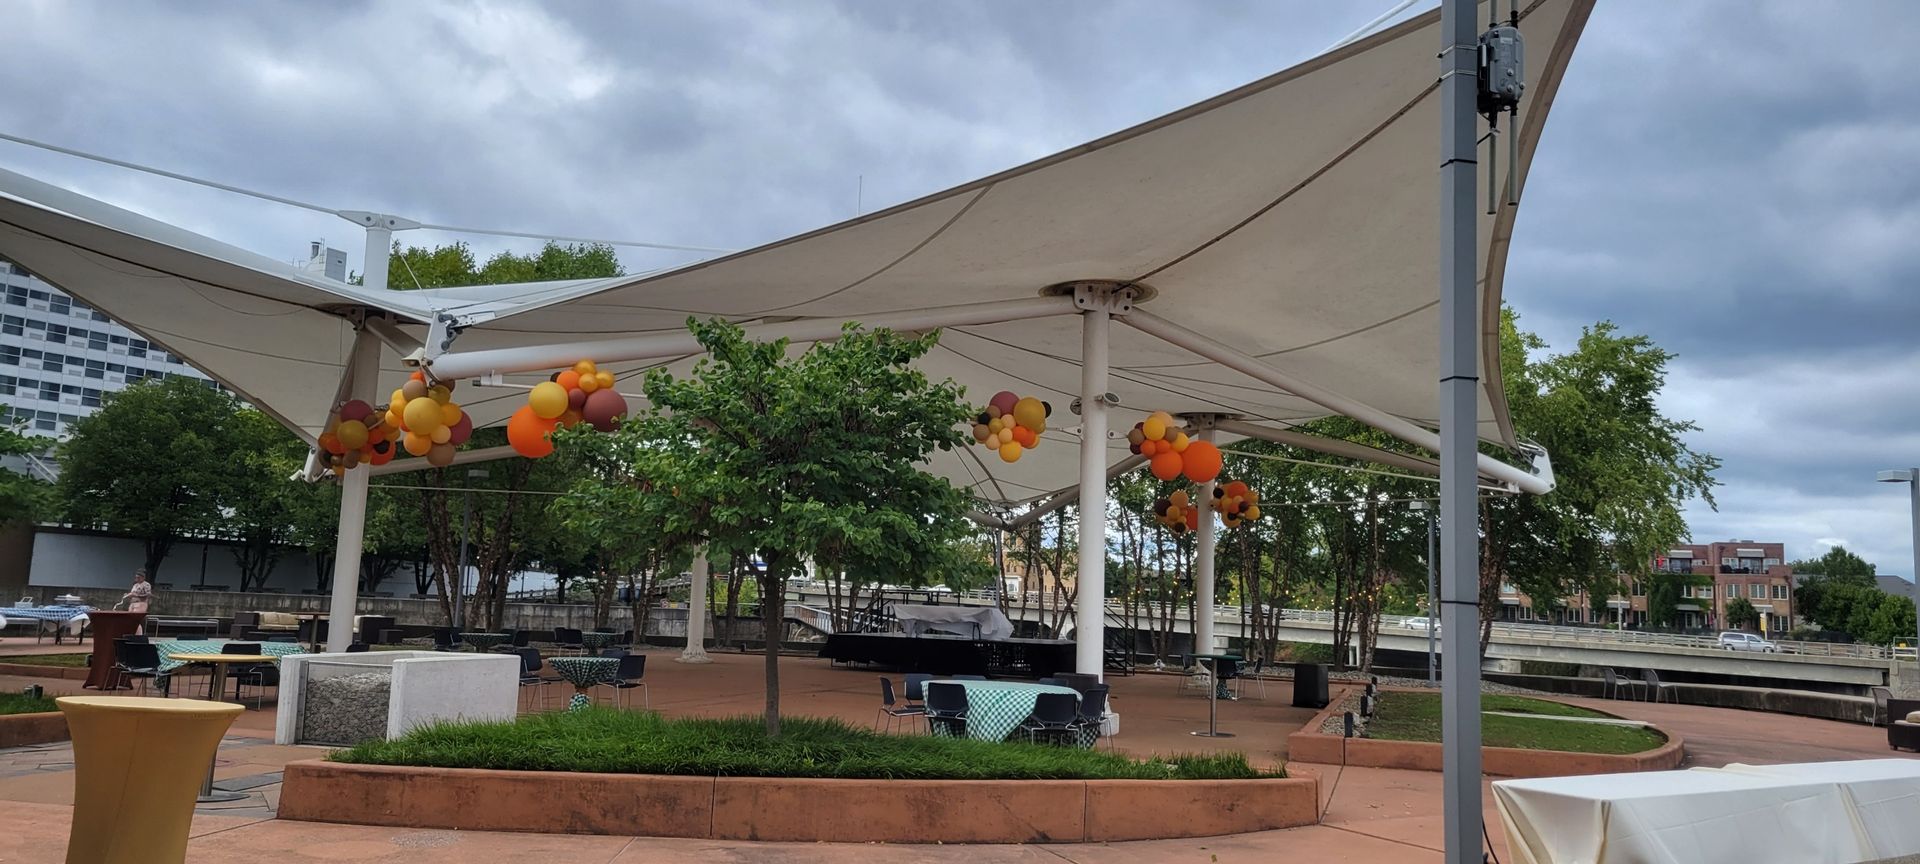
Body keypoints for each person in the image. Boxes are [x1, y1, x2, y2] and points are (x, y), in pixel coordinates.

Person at [118, 569, 154, 634]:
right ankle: (131, 632)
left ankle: (138, 634)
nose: (137, 579)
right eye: (136, 577)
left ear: (143, 577)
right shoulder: (135, 585)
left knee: (136, 619)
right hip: (132, 604)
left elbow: (148, 595)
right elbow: (132, 593)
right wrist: (128, 595)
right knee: (130, 619)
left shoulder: (146, 585)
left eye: (138, 577)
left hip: (141, 603)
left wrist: (136, 595)